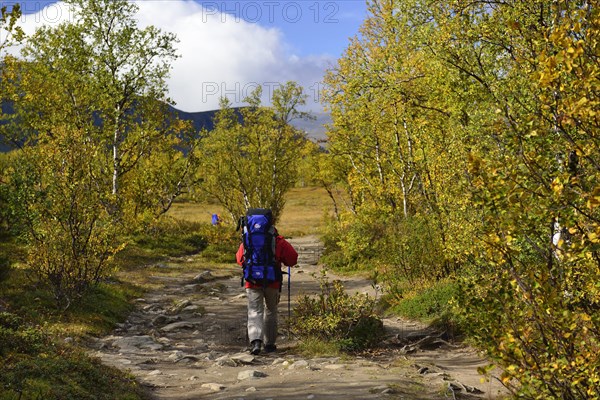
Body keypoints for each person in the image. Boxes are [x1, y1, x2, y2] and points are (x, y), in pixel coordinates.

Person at [236, 227, 298, 355]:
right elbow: (292, 259)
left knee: (255, 311)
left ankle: (256, 341)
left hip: (252, 281)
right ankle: (269, 344)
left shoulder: (248, 239)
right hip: (272, 282)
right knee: (271, 310)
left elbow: (239, 259)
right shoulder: (278, 240)